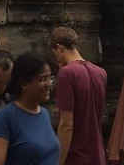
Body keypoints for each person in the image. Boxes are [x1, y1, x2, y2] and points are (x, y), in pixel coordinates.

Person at [0, 53, 59, 165]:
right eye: (43, 79)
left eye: (50, 78)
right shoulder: (5, 117)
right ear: (24, 83)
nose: (49, 84)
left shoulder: (45, 114)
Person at [49, 27, 107, 165]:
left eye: (54, 53)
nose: (56, 58)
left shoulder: (67, 74)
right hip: (97, 155)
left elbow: (66, 125)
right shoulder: (101, 73)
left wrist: (58, 162)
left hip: (76, 156)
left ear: (59, 47)